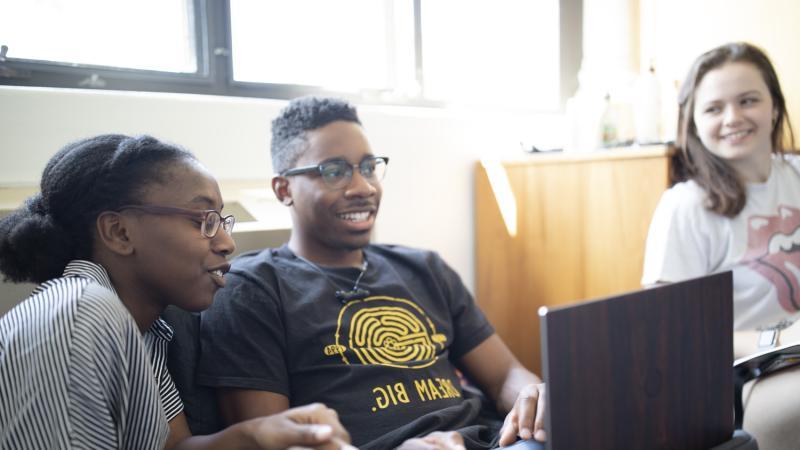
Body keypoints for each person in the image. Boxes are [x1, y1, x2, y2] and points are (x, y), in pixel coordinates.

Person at [196, 97, 546, 450]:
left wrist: (532, 394)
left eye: (368, 167)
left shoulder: (425, 268)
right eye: (334, 171)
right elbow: (271, 440)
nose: (363, 187)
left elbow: (505, 376)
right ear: (284, 189)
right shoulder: (253, 288)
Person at [0, 134, 352, 449]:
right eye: (203, 220)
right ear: (119, 232)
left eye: (222, 221)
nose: (228, 243)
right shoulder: (81, 315)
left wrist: (257, 434)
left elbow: (174, 447)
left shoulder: (144, 328)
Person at [641, 42, 800, 449]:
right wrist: (777, 341)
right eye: (714, 108)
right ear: (693, 122)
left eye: (748, 100)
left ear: (775, 107)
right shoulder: (684, 206)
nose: (733, 118)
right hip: (748, 376)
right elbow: (669, 326)